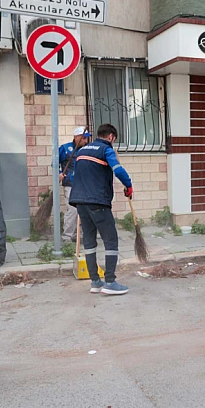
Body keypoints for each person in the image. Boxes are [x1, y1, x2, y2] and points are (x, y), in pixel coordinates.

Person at [70, 123, 133, 294]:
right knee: (110, 239)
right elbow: (118, 170)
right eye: (114, 139)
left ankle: (95, 282)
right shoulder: (106, 150)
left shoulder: (81, 151)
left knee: (90, 242)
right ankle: (110, 282)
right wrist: (129, 185)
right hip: (98, 202)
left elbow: (76, 176)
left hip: (80, 202)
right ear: (111, 137)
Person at [59, 126, 91, 242]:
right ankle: (67, 237)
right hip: (70, 184)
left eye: (87, 139)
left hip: (84, 185)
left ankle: (78, 235)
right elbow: (54, 162)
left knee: (83, 210)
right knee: (72, 210)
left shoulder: (87, 150)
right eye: (84, 138)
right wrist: (59, 174)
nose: (86, 141)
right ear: (76, 137)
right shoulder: (65, 148)